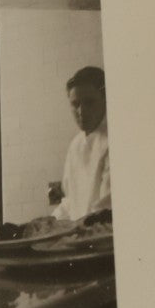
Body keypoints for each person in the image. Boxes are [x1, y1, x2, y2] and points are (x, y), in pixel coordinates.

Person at [52, 65, 110, 221]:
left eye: (89, 102)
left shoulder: (114, 142)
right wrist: (50, 223)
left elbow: (105, 211)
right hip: (80, 235)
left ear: (105, 99)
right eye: (75, 104)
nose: (81, 111)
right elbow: (70, 202)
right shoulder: (75, 145)